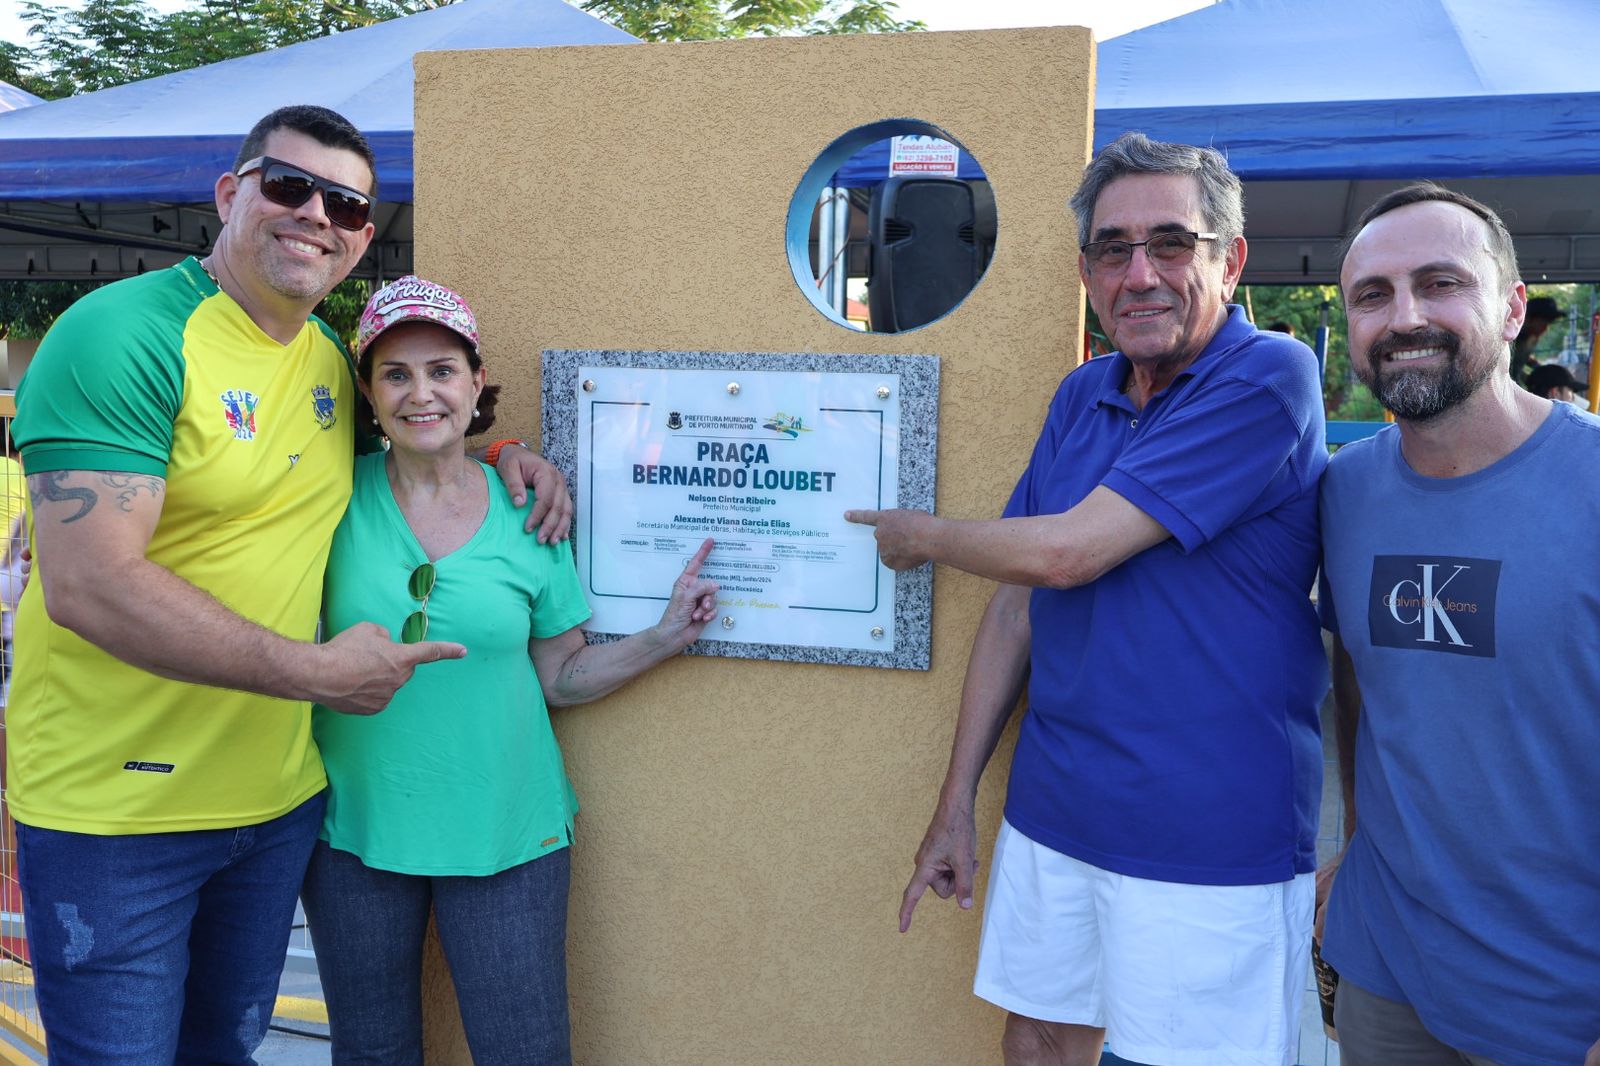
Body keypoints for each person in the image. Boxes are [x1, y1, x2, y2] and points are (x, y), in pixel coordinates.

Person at [7, 105, 570, 1063]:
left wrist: (512, 453)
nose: (317, 213)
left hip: (276, 808)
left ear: (359, 240)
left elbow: (420, 442)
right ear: (231, 194)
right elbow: (91, 588)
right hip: (121, 815)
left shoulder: (323, 365)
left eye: (348, 204)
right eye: (288, 185)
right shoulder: (122, 333)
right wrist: (315, 673)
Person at [845, 132, 1328, 1066]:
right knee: (1036, 1043)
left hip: (1208, 830)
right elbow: (1018, 602)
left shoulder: (1268, 377)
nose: (1139, 273)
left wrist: (924, 537)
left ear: (1229, 260)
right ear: (1085, 271)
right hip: (1056, 807)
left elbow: (1068, 554)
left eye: (1171, 244)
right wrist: (955, 806)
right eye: (1114, 249)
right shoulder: (1081, 394)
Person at [299, 276, 719, 1065]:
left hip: (509, 833)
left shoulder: (530, 511)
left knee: (523, 1051)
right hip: (353, 830)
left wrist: (664, 636)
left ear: (476, 380)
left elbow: (562, 676)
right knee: (370, 1051)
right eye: (395, 373)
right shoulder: (331, 494)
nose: (421, 392)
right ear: (368, 391)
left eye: (442, 370)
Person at [1318, 181, 1600, 1066]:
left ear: (1514, 308)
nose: (1404, 316)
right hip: (1388, 977)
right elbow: (1363, 682)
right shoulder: (1343, 491)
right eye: (1373, 295)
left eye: (1441, 283)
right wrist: (1360, 844)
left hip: (1563, 1002)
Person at [1509, 294, 1565, 384]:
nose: (1545, 328)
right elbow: (1510, 369)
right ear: (1529, 318)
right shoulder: (1510, 338)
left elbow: (1519, 361)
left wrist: (1537, 367)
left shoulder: (1530, 338)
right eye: (1543, 322)